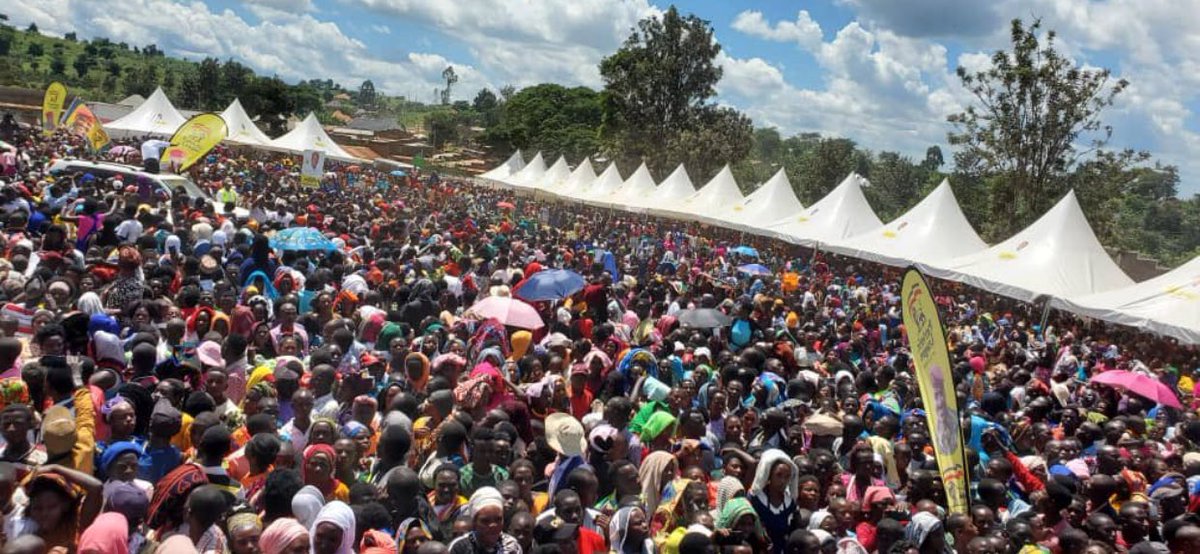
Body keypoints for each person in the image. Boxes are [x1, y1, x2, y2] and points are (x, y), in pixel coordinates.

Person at [448, 487, 521, 554]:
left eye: (498, 519)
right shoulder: (460, 547)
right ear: (474, 523)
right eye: (485, 521)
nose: (493, 525)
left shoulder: (511, 546)